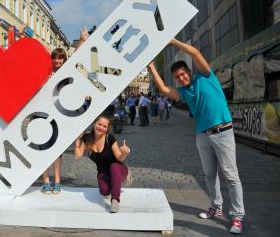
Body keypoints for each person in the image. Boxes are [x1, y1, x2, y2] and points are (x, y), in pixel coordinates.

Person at [147, 38, 245, 234]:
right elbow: (165, 89)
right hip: (202, 136)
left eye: (183, 74)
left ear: (189, 72)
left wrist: (174, 42)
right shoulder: (183, 93)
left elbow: (195, 54)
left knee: (231, 176)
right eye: (177, 77)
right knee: (209, 175)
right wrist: (151, 67)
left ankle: (237, 217)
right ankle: (216, 208)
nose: (181, 78)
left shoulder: (206, 77)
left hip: (223, 132)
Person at [34, 27, 88, 195]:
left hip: (56, 116)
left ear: (64, 60)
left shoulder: (66, 73)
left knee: (56, 150)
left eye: (60, 59)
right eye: (55, 59)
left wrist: (82, 40)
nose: (57, 61)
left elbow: (76, 57)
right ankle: (46, 181)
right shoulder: (46, 72)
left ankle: (57, 181)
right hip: (39, 114)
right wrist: (22, 34)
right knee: (42, 149)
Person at [74, 114, 132, 213]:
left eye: (104, 126)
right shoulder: (87, 138)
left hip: (118, 169)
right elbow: (77, 156)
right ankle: (114, 183)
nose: (101, 127)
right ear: (94, 123)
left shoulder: (109, 138)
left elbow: (119, 157)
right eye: (99, 124)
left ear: (107, 129)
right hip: (103, 172)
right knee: (104, 192)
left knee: (114, 166)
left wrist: (125, 153)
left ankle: (115, 200)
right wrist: (77, 140)